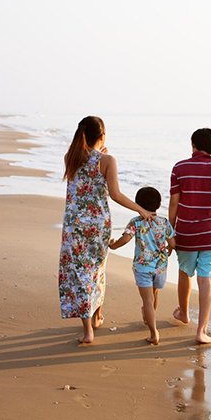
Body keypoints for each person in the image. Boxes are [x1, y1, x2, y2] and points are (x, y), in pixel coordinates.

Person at [58, 115, 153, 345]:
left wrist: (100, 153)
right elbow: (116, 194)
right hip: (98, 226)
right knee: (97, 271)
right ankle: (98, 314)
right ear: (102, 136)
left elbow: (85, 169)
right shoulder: (108, 160)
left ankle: (89, 328)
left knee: (80, 274)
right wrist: (141, 209)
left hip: (74, 226)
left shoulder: (69, 158)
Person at [169, 128, 211, 344]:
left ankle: (184, 312)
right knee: (206, 279)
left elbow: (174, 202)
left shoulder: (180, 167)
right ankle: (201, 331)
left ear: (193, 145)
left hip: (186, 231)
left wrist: (171, 229)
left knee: (184, 272)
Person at [109, 187, 176, 345]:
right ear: (159, 204)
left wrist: (113, 246)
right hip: (160, 267)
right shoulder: (164, 222)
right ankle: (148, 318)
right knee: (154, 294)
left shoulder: (136, 222)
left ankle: (154, 333)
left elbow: (125, 239)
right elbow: (173, 242)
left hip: (142, 267)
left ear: (137, 204)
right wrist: (170, 249)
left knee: (147, 300)